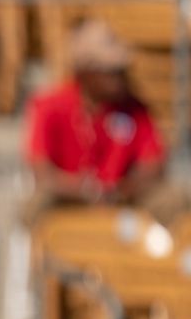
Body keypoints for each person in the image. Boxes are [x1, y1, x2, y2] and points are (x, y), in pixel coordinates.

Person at [22, 20, 187, 226]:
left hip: (123, 198)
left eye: (121, 71)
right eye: (111, 72)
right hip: (71, 199)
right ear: (85, 73)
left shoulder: (134, 108)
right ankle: (53, 256)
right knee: (38, 205)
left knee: (175, 198)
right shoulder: (50, 106)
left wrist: (122, 189)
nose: (120, 79)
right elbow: (42, 172)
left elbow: (154, 164)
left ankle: (167, 257)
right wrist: (85, 190)